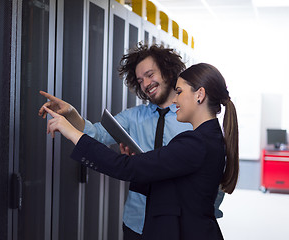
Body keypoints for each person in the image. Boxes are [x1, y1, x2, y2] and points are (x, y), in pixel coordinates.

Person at [38, 44, 223, 238]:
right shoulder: (134, 116)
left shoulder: (192, 131)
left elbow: (207, 184)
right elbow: (99, 135)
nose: (146, 83)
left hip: (177, 225)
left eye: (150, 74)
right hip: (137, 220)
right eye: (140, 80)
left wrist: (201, 216)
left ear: (168, 73)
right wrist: (72, 115)